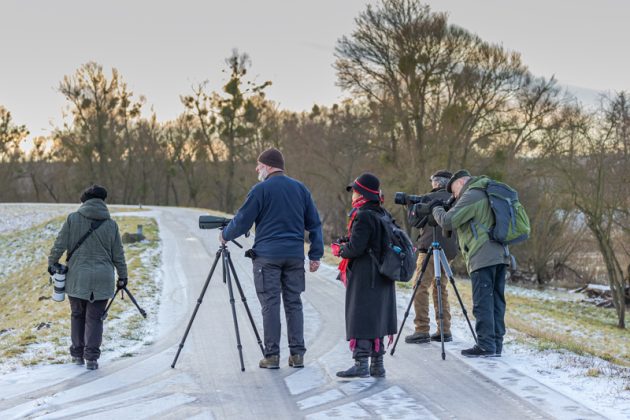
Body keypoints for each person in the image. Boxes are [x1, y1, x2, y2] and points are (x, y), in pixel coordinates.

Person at [221, 148, 324, 369]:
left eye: (259, 165)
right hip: (294, 256)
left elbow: (242, 221)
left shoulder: (261, 190)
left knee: (270, 304)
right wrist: (315, 254)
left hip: (267, 257)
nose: (256, 169)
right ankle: (297, 355)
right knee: (294, 304)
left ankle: (272, 356)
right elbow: (314, 223)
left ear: (267, 166)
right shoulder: (300, 189)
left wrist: (224, 235)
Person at [48, 184, 128, 370]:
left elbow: (59, 244)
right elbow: (119, 255)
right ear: (103, 201)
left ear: (84, 200)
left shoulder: (72, 219)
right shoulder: (111, 225)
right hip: (103, 278)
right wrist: (123, 277)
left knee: (77, 315)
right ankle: (91, 358)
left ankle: (77, 355)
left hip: (77, 277)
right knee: (95, 318)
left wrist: (52, 263)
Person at [431, 170, 510, 357]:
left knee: (483, 302)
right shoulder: (487, 191)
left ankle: (485, 345)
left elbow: (448, 221)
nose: (454, 196)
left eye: (454, 191)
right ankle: (496, 344)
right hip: (501, 254)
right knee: (496, 301)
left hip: (482, 256)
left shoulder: (472, 195)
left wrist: (436, 208)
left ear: (459, 183)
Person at [331, 172, 397, 378]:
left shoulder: (363, 215)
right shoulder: (382, 213)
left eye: (355, 192)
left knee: (360, 317)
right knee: (377, 318)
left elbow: (356, 248)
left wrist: (340, 249)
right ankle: (377, 365)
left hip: (365, 276)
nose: (352, 196)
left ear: (363, 194)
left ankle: (360, 364)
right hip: (383, 275)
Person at [405, 170, 458, 344]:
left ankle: (422, 329)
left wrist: (410, 207)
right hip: (449, 248)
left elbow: (415, 222)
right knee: (440, 287)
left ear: (436, 182)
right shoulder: (456, 198)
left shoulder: (428, 198)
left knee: (420, 286)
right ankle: (444, 329)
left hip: (428, 247)